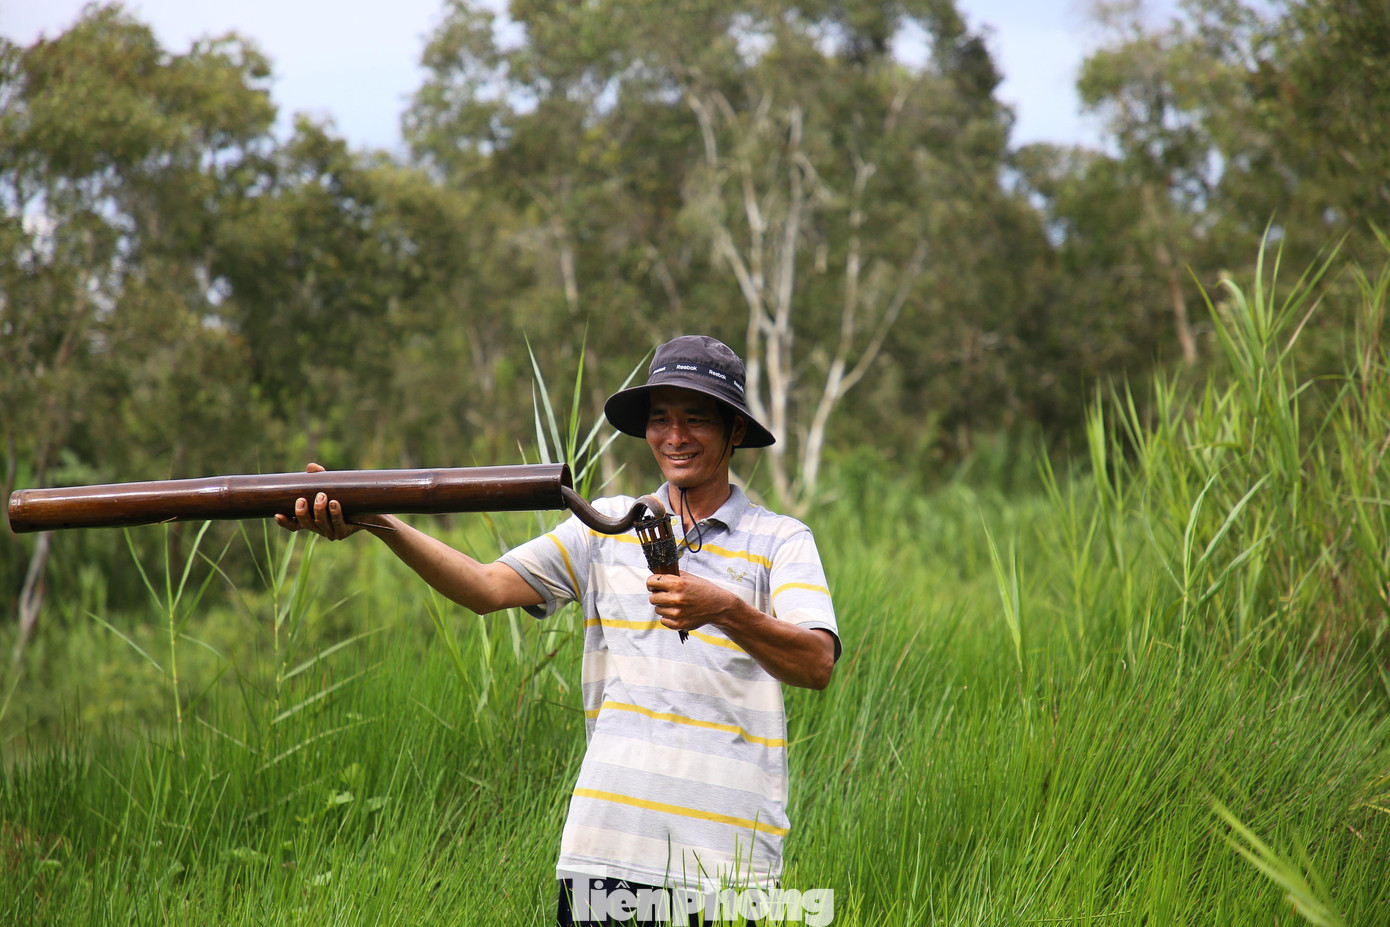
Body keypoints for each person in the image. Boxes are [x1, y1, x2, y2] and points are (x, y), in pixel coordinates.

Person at [277, 335, 840, 925]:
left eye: (696, 419)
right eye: (660, 419)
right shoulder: (604, 530)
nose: (675, 436)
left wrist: (725, 609)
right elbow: (485, 587)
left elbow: (816, 664)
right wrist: (378, 521)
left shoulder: (781, 541)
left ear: (735, 432)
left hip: (728, 869)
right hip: (606, 855)